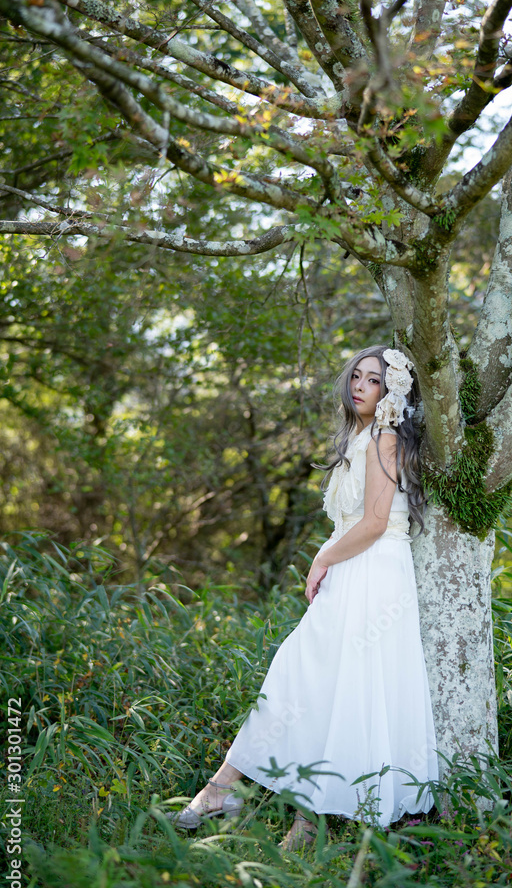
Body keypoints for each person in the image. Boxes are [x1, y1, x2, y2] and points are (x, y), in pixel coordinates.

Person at [172, 345, 440, 850]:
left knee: (318, 680)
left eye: (374, 380)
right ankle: (281, 808)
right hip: (353, 566)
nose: (360, 385)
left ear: (390, 393)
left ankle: (243, 797)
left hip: (374, 573)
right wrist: (331, 559)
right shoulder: (359, 436)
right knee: (316, 685)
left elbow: (377, 523)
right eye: (357, 376)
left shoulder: (383, 439)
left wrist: (322, 560)